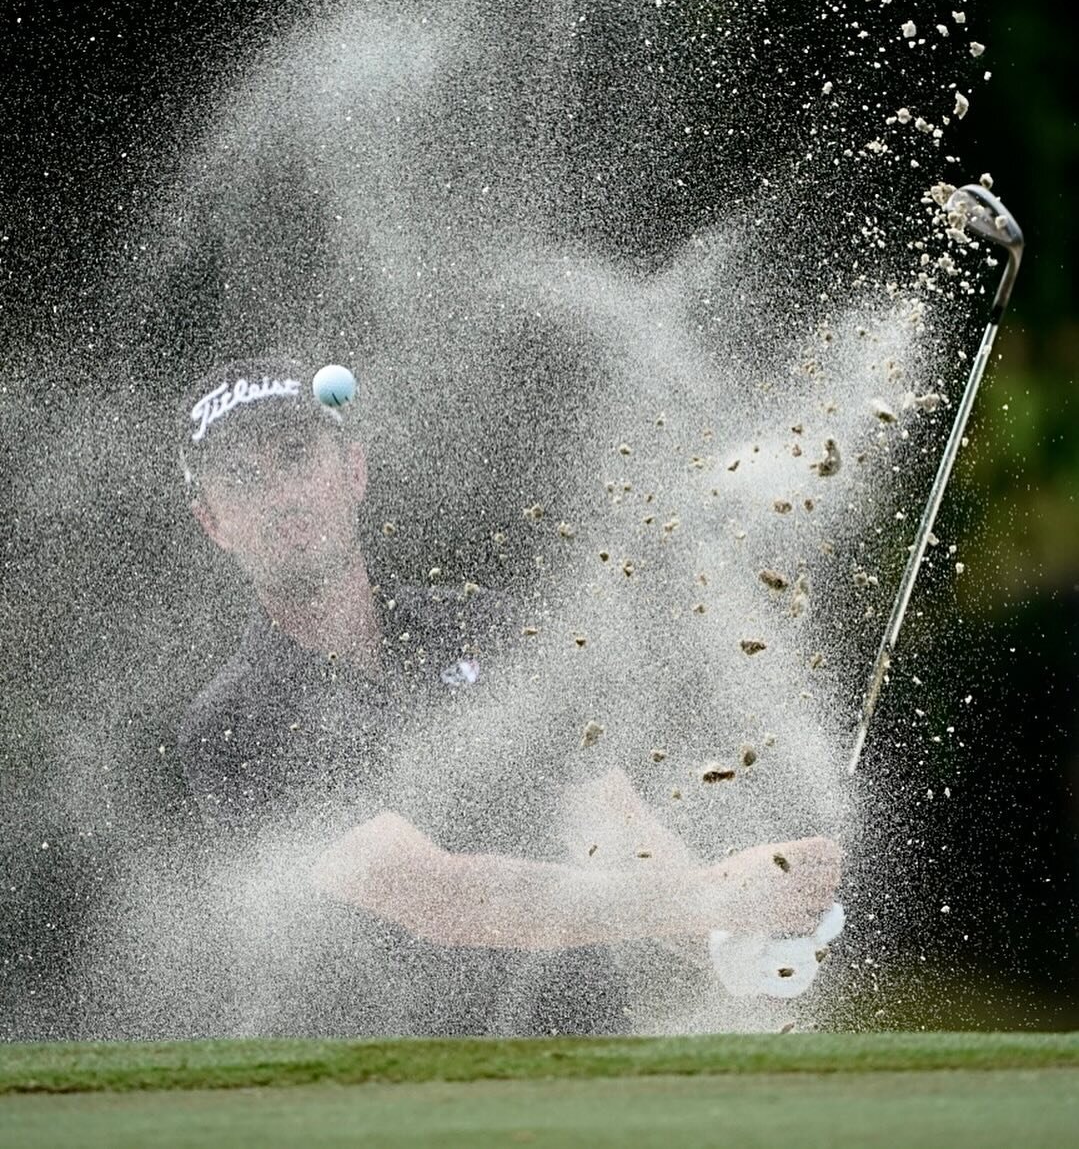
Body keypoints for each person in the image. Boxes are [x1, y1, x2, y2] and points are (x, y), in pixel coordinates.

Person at [176, 356, 842, 1035]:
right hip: (386, 1102)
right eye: (241, 478)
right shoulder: (235, 719)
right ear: (214, 523)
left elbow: (609, 829)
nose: (279, 493)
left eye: (295, 456)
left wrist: (727, 939)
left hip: (587, 1068)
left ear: (353, 471)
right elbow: (439, 897)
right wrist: (707, 897)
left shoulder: (482, 625)